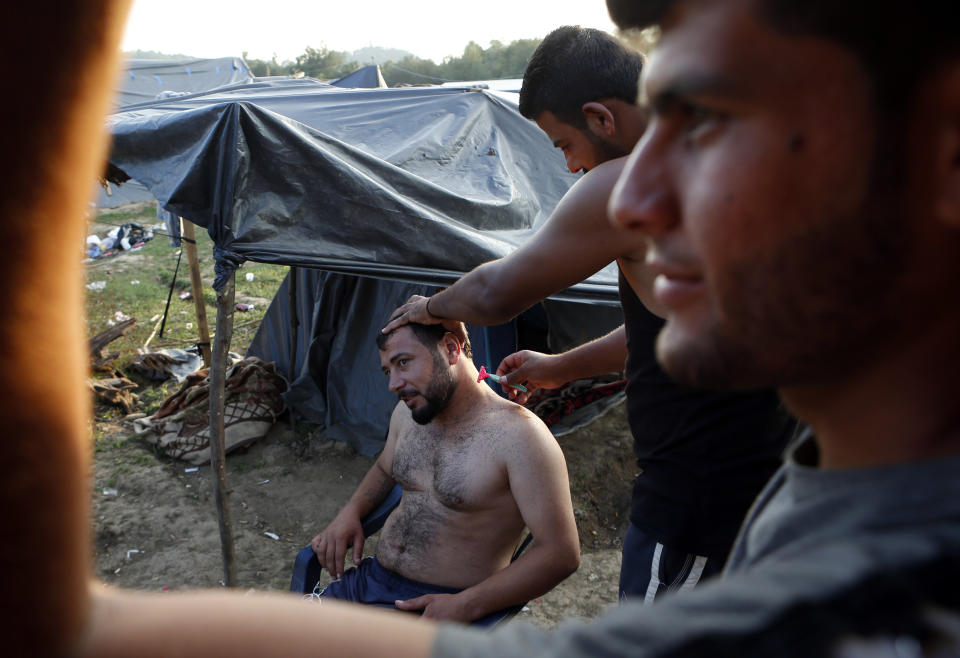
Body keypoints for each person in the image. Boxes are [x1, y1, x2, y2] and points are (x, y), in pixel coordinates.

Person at [16, 1, 960, 656]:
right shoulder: (821, 509)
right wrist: (355, 511)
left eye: (711, 118)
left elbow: (506, 294)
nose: (639, 194)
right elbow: (657, 340)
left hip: (679, 501)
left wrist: (434, 305)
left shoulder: (537, 449)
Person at [384, 25, 794, 603]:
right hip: (775, 473)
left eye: (562, 146)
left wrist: (431, 305)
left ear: (602, 118)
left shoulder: (630, 181)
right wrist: (564, 366)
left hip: (700, 495)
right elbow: (679, 323)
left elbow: (498, 293)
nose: (572, 167)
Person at [309, 322, 580, 625]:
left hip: (441, 609)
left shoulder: (520, 437)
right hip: (368, 584)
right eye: (388, 371)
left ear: (451, 349)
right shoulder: (409, 415)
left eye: (403, 363)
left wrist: (466, 605)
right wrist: (351, 511)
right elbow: (386, 467)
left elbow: (561, 553)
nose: (393, 384)